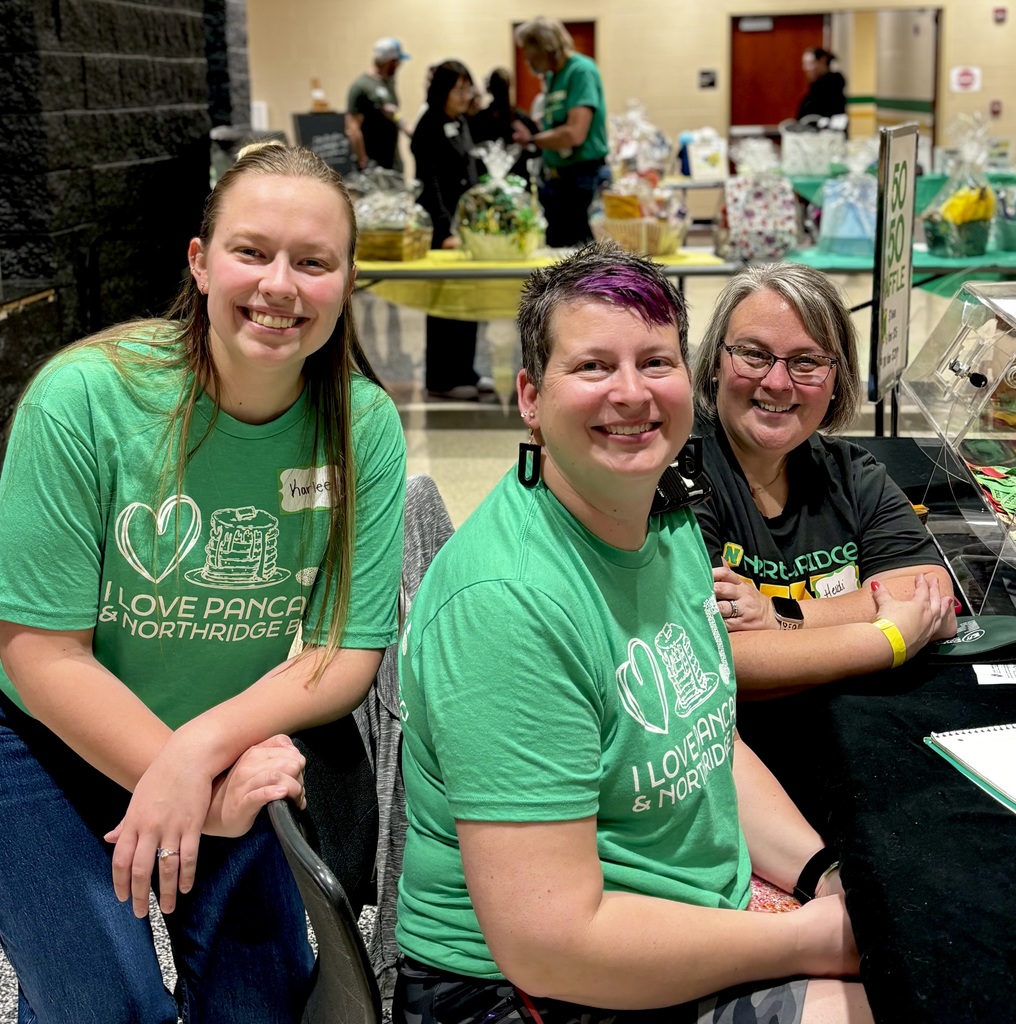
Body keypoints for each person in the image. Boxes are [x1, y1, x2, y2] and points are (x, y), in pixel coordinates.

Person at [395, 242, 874, 1024]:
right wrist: (816, 939)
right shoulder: (508, 603)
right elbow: (553, 943)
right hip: (523, 992)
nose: (631, 394)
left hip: (673, 925)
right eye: (591, 367)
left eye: (656, 362)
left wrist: (824, 877)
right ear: (528, 395)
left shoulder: (665, 514)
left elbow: (706, 739)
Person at [0, 142, 406, 1023]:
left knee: (260, 1006)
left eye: (313, 262)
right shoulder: (84, 399)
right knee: (106, 1007)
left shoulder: (361, 423)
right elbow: (41, 653)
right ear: (200, 261)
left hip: (222, 746)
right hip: (37, 742)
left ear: (347, 281)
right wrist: (183, 779)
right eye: (251, 252)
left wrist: (201, 752)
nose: (279, 286)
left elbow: (345, 650)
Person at [692, 262, 955, 704]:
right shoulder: (680, 478)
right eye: (753, 354)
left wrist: (779, 617)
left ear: (837, 381)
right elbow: (718, 659)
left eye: (807, 361)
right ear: (717, 364)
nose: (777, 382)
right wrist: (890, 639)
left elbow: (930, 593)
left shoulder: (852, 472)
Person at [411, 60, 491, 402]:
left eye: (467, 88)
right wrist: (444, 230)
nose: (465, 95)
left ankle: (465, 370)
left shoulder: (460, 123)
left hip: (465, 227)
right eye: (458, 89)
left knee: (468, 300)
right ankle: (442, 378)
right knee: (446, 305)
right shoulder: (428, 126)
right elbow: (430, 185)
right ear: (442, 91)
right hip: (444, 230)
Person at [511, 18, 610, 248]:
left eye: (530, 52)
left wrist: (534, 140)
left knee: (582, 261)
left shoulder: (581, 71)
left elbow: (575, 134)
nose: (527, 60)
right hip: (558, 178)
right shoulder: (552, 76)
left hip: (583, 178)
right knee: (557, 257)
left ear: (547, 48)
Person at [346, 37, 412, 172]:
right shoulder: (361, 86)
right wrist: (362, 160)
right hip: (374, 165)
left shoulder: (389, 82)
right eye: (398, 61)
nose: (400, 65)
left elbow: (393, 111)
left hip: (393, 162)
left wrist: (402, 123)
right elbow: (353, 127)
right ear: (390, 61)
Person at [469, 67, 539, 183]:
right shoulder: (520, 119)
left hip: (487, 181)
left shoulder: (478, 119)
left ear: (489, 88)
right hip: (518, 181)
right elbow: (537, 148)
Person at [796, 48, 847, 121]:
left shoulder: (832, 88)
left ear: (822, 61)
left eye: (810, 63)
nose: (805, 68)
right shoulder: (815, 89)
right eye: (804, 64)